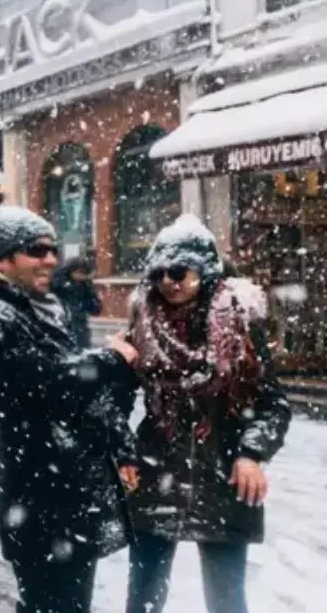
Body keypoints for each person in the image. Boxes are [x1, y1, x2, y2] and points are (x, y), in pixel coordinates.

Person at [0, 206, 138, 613]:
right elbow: (41, 384)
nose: (51, 259)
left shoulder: (47, 308)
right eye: (37, 250)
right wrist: (110, 361)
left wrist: (121, 445)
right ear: (3, 259)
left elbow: (80, 396)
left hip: (70, 497)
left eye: (53, 249)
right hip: (37, 500)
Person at [122, 215, 291, 613]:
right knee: (144, 596)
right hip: (156, 471)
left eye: (179, 270)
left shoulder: (241, 324)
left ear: (204, 269)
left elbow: (272, 403)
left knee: (226, 600)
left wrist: (251, 453)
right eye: (160, 273)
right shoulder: (143, 320)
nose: (169, 281)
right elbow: (116, 398)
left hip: (222, 472)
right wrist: (123, 450)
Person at [51, 257, 102, 348]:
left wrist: (87, 303)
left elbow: (95, 308)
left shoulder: (85, 284)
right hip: (61, 323)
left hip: (80, 326)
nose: (81, 277)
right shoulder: (58, 282)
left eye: (84, 274)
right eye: (80, 272)